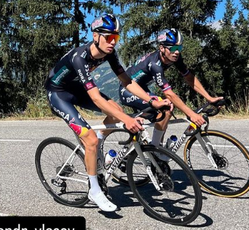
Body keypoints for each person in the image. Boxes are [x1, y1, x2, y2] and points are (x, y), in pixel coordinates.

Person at [44, 14, 171, 212]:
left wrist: (151, 99)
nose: (113, 42)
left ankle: (99, 145)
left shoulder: (109, 54)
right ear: (96, 36)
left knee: (116, 111)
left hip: (75, 88)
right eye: (109, 37)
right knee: (90, 139)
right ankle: (94, 191)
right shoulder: (80, 57)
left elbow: (128, 82)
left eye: (116, 38)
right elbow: (96, 99)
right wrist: (128, 120)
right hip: (58, 93)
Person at [119, 28, 223, 160]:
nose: (177, 51)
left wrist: (209, 98)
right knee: (166, 108)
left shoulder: (175, 57)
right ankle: (154, 151)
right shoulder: (154, 64)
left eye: (179, 47)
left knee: (164, 112)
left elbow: (189, 78)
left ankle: (155, 147)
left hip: (142, 88)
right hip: (127, 90)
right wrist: (191, 114)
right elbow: (170, 94)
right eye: (173, 48)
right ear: (162, 48)